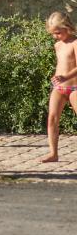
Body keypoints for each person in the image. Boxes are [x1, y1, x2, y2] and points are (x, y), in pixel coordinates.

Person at [41, 11, 77, 163]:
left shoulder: (75, 43)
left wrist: (66, 76)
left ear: (67, 27)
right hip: (59, 87)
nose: (55, 36)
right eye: (53, 34)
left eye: (58, 33)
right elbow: (61, 64)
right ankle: (53, 153)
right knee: (52, 118)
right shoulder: (57, 45)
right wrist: (57, 76)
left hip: (75, 87)